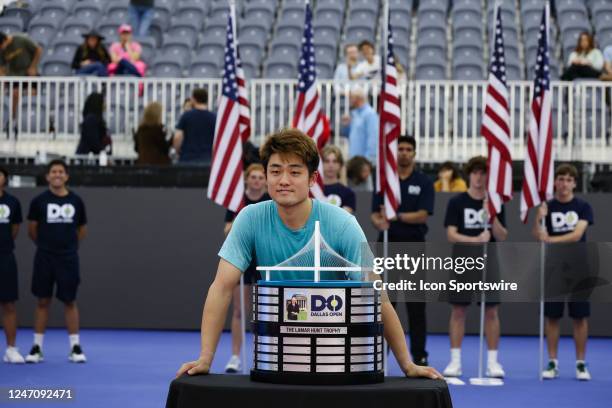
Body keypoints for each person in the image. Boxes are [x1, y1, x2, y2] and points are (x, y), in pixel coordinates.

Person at [176, 128, 442, 380]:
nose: (283, 180)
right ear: (266, 175)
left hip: (335, 355)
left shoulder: (342, 223)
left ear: (312, 179)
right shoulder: (249, 218)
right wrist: (205, 358)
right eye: (276, 171)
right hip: (275, 357)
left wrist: (407, 364)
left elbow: (377, 296)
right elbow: (221, 288)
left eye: (294, 172)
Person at [371, 136, 434, 366]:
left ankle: (419, 355)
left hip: (414, 250)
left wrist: (396, 216)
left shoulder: (424, 182)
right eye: (401, 149)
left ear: (414, 153)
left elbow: (423, 214)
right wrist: (380, 222)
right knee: (386, 304)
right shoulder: (386, 182)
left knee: (416, 305)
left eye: (408, 149)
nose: (404, 153)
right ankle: (381, 357)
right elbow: (374, 215)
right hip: (387, 249)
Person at [442, 156, 508, 378]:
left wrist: (493, 215)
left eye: (483, 173)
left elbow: (502, 235)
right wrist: (474, 240)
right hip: (463, 262)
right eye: (476, 172)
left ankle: (492, 362)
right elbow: (450, 234)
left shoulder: (495, 203)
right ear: (469, 175)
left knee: (491, 312)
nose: (479, 177)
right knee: (458, 310)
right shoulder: (457, 202)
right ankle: (455, 361)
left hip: (489, 262)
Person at [532, 164, 594, 381]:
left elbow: (577, 235)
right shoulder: (547, 207)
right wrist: (538, 219)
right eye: (561, 179)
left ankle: (580, 364)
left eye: (569, 179)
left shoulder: (583, 207)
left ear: (574, 183)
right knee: (552, 316)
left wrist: (552, 239)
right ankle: (552, 362)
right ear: (555, 182)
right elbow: (537, 235)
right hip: (554, 268)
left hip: (578, 267)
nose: (565, 183)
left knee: (580, 316)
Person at [25, 160, 88, 364]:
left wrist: (67, 247)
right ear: (48, 176)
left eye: (61, 171)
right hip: (44, 257)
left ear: (67, 176)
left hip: (68, 258)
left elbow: (81, 230)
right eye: (54, 171)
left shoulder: (76, 201)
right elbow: (32, 230)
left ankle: (75, 347)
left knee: (70, 301)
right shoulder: (39, 201)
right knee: (42, 301)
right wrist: (47, 246)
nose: (57, 174)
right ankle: (36, 347)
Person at [223, 163, 270, 373]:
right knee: (239, 311)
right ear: (247, 179)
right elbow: (227, 229)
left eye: (261, 177)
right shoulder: (237, 201)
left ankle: (263, 355)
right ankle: (235, 356)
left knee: (263, 312)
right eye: (254, 177)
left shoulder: (270, 202)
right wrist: (238, 225)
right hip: (243, 261)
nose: (257, 181)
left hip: (265, 261)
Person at [0, 166, 25, 363]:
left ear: (5, 179)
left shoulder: (12, 203)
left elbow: (14, 230)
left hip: (5, 257)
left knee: (8, 304)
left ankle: (11, 349)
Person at [0, 31, 42, 127]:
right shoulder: (1, 51)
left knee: (32, 93)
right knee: (15, 94)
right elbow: (1, 67)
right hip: (14, 76)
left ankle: (31, 121)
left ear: (4, 40)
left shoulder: (21, 39)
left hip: (29, 73)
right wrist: (3, 77)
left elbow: (38, 50)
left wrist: (33, 66)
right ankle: (13, 120)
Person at [173, 88, 216, 165]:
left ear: (194, 99)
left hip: (187, 159)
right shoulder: (213, 117)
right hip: (207, 160)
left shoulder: (186, 116)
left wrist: (178, 151)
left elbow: (177, 137)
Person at [341, 86, 378, 163]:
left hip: (364, 162)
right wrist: (346, 126)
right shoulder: (355, 114)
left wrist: (368, 160)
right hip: (354, 160)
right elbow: (349, 136)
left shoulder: (370, 114)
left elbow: (373, 139)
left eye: (351, 98)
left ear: (358, 98)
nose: (349, 101)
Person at [321, 145, 356, 213]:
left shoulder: (348, 193)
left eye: (335, 161)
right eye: (327, 161)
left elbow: (343, 219)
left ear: (340, 165)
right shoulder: (313, 190)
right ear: (320, 164)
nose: (331, 165)